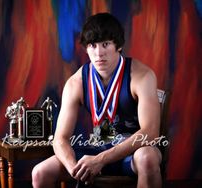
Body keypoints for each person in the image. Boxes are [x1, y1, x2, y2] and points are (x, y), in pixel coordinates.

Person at [32, 12, 162, 188]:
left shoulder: (142, 76)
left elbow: (151, 132)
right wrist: (74, 169)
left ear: (119, 46)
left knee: (148, 158)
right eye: (93, 45)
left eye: (105, 44)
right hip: (96, 148)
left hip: (133, 152)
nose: (99, 53)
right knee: (40, 173)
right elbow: (60, 139)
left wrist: (101, 159)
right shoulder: (75, 83)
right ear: (86, 48)